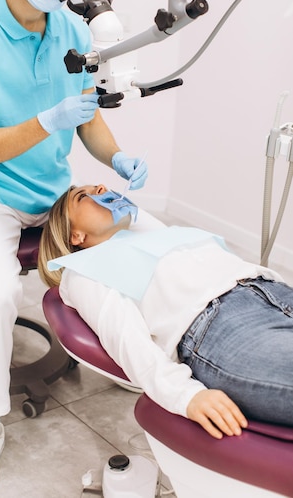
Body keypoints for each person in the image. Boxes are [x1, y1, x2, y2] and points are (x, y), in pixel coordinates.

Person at [0, 0, 148, 492]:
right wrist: (47, 118)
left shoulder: (74, 27)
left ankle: (141, 365)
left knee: (139, 240)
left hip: (54, 191)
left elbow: (86, 121)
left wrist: (114, 157)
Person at [38, 184, 293, 439]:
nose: (102, 188)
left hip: (272, 291)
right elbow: (125, 337)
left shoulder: (154, 235)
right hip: (222, 329)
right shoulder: (84, 270)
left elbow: (138, 215)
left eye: (101, 187)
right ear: (76, 236)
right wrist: (186, 395)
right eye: (83, 196)